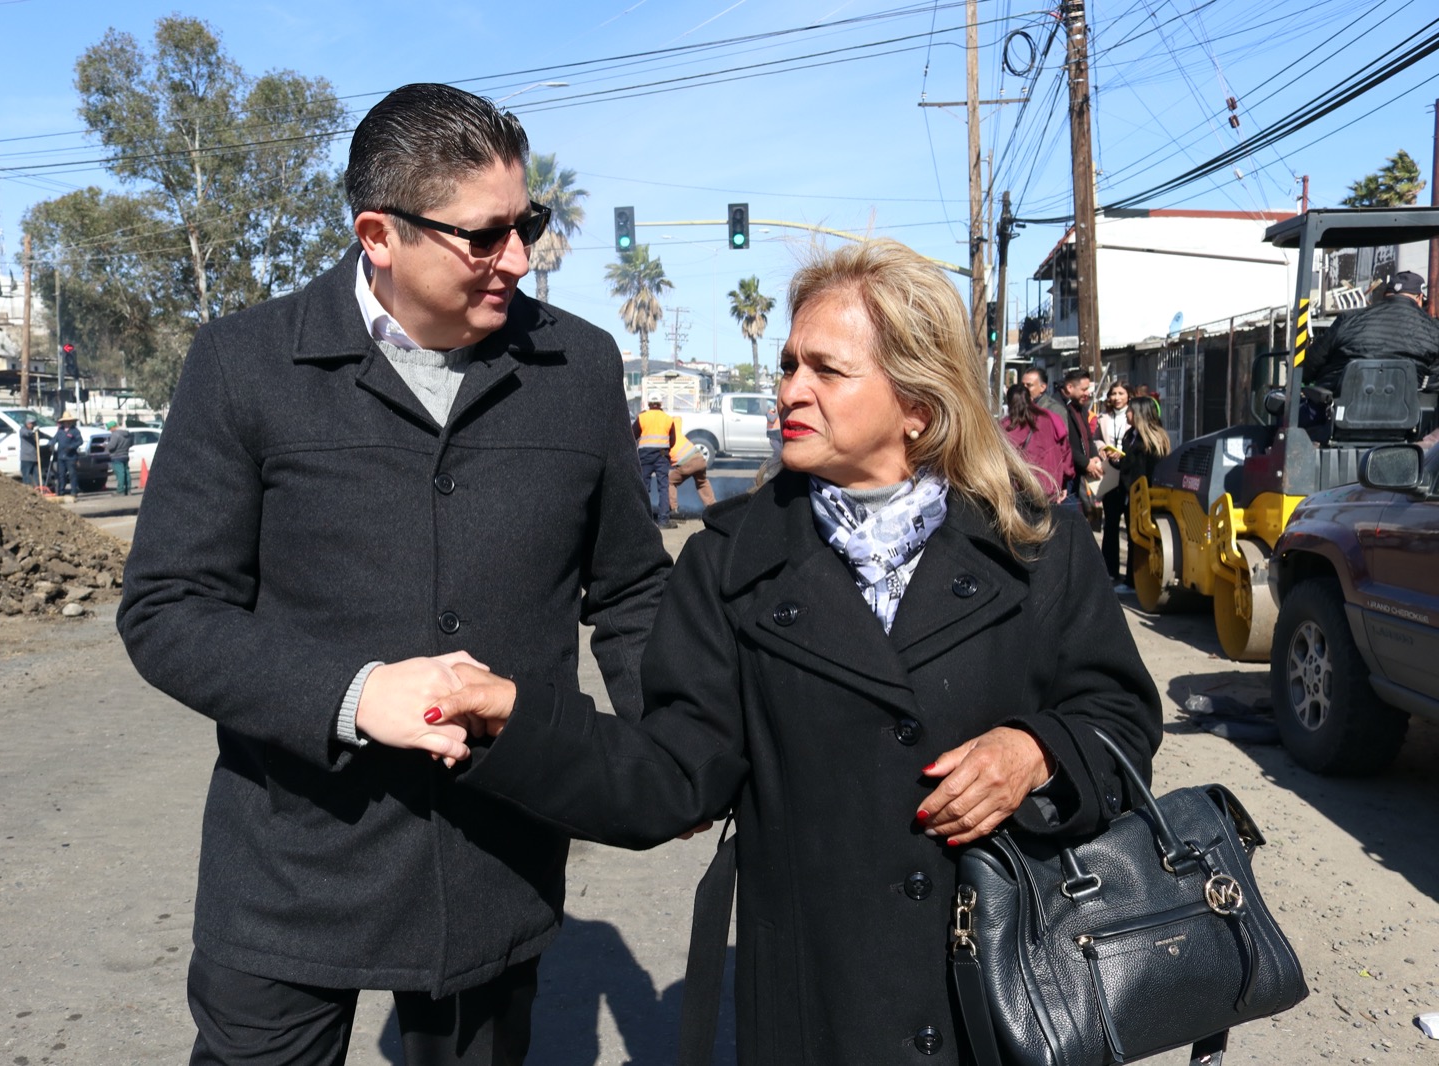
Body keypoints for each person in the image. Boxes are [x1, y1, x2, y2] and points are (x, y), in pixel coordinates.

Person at [427, 239, 1161, 1065]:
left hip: (1014, 998)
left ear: (918, 402)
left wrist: (1035, 751)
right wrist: (517, 719)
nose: (789, 392)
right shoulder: (730, 561)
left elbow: (1119, 718)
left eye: (827, 370)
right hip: (820, 1015)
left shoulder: (1035, 542)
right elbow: (674, 773)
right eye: (786, 365)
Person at [115, 83, 670, 1066]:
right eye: (484, 235)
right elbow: (168, 609)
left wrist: (680, 749)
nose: (519, 257)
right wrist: (355, 693)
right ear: (378, 233)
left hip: (498, 857)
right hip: (288, 869)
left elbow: (629, 590)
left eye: (526, 223)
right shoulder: (246, 365)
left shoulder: (577, 368)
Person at [1304, 270, 1439, 393]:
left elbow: (1308, 365)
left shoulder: (1349, 318)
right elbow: (1434, 384)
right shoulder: (1434, 329)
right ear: (1420, 297)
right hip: (1406, 415)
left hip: (1337, 410)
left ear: (1386, 294)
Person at [1110, 395, 1171, 579]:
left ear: (1140, 414)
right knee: (1131, 536)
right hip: (1130, 493)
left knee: (1140, 538)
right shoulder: (1130, 435)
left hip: (1145, 496)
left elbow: (1151, 471)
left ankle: (1136, 579)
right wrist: (1116, 461)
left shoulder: (1153, 440)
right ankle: (1131, 578)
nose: (1127, 414)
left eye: (1130, 410)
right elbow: (1127, 465)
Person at [1000, 381, 1072, 501]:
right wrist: (1065, 481)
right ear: (1031, 399)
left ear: (1009, 402)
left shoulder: (1005, 427)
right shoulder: (1050, 419)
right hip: (1049, 488)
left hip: (1020, 492)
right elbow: (1065, 450)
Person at [1095, 381, 1132, 585]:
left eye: (1121, 393)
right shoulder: (1103, 418)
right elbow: (1096, 439)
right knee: (1110, 524)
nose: (1117, 397)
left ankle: (1132, 576)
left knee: (1132, 525)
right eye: (1113, 393)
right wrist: (1102, 448)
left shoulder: (1135, 416)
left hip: (1128, 473)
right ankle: (1110, 570)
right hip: (1110, 473)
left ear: (1128, 395)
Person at [1060, 367, 1103, 507]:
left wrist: (1094, 456)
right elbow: (1064, 445)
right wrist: (1085, 462)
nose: (1087, 393)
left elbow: (1088, 438)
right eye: (1084, 390)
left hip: (1080, 473)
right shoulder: (1060, 409)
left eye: (1088, 389)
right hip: (1066, 476)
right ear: (1070, 387)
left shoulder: (1081, 408)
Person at [634, 394, 676, 528]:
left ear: (649, 404)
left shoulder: (642, 417)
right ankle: (663, 521)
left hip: (645, 455)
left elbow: (632, 434)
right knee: (663, 487)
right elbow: (673, 440)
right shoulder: (668, 419)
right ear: (660, 404)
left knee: (644, 487)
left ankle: (643, 520)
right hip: (662, 455)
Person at [667, 431, 716, 519]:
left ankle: (673, 509)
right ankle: (713, 507)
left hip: (687, 463)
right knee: (702, 482)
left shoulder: (664, 440)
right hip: (700, 458)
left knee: (670, 481)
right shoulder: (676, 432)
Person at [52, 412, 82, 499]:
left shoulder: (75, 431)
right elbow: (54, 439)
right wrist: (51, 444)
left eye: (69, 421)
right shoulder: (60, 431)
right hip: (61, 457)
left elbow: (80, 441)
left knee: (72, 474)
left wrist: (72, 447)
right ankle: (61, 491)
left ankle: (74, 491)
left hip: (71, 457)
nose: (67, 423)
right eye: (65, 421)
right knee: (61, 474)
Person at [105, 420, 132, 496]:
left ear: (113, 427)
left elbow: (112, 446)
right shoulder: (127, 434)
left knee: (120, 474)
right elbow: (131, 443)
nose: (110, 431)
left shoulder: (115, 434)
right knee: (126, 473)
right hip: (125, 455)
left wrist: (106, 446)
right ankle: (128, 490)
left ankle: (120, 491)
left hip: (116, 456)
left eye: (110, 429)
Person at [19, 416, 40, 488]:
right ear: (27, 423)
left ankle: (38, 489)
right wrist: (33, 432)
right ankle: (27, 490)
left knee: (36, 476)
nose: (32, 425)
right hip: (26, 458)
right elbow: (27, 434)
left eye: (34, 424)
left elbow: (42, 435)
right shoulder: (23, 430)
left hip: (34, 457)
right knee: (26, 476)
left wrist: (51, 440)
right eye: (31, 424)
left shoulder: (35, 431)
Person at [764, 394, 784, 460]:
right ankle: (775, 464)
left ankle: (776, 463)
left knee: (779, 451)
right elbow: (771, 418)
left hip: (778, 431)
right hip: (774, 432)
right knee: (778, 451)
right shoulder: (774, 409)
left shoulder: (781, 408)